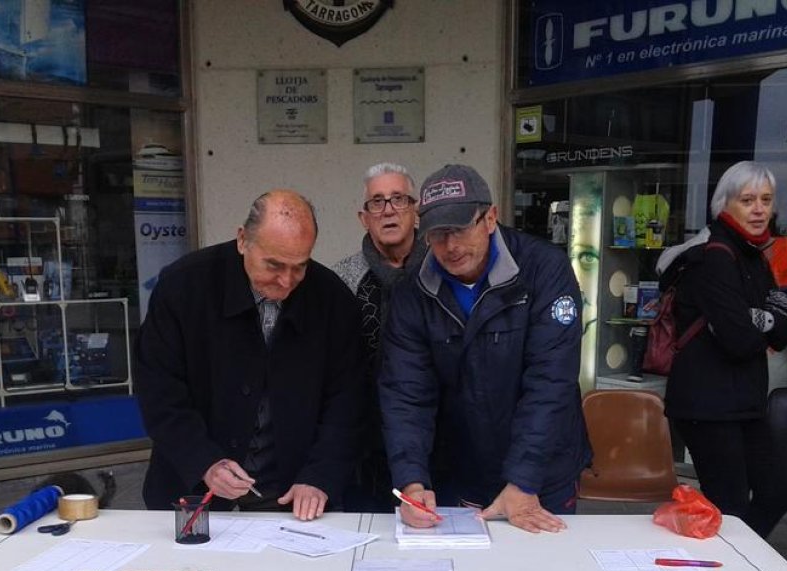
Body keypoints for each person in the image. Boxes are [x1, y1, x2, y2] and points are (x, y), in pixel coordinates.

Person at [378, 164, 589, 533]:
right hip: (459, 466)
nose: (451, 246)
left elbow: (550, 383)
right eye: (437, 234)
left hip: (541, 472)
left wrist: (523, 480)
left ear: (490, 217)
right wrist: (412, 481)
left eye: (460, 229)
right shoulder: (412, 288)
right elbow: (406, 393)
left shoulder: (543, 269)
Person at [135, 189, 365, 520]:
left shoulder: (332, 299)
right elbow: (158, 389)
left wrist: (320, 476)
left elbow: (348, 401)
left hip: (292, 496)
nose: (286, 281)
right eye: (273, 265)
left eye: (299, 267)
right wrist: (204, 461)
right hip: (192, 495)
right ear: (243, 240)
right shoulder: (184, 286)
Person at [659, 160, 787, 539]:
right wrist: (764, 318)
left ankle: (740, 562)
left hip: (744, 401)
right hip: (707, 403)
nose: (758, 209)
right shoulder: (713, 256)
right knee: (730, 506)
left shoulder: (752, 254)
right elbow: (739, 340)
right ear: (724, 204)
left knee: (777, 491)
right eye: (747, 199)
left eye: (766, 200)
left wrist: (758, 318)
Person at [331, 162, 428, 512]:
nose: (388, 210)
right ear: (364, 217)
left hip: (433, 435)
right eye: (377, 202)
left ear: (416, 210)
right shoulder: (342, 279)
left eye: (398, 199)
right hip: (363, 437)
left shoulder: (440, 270)